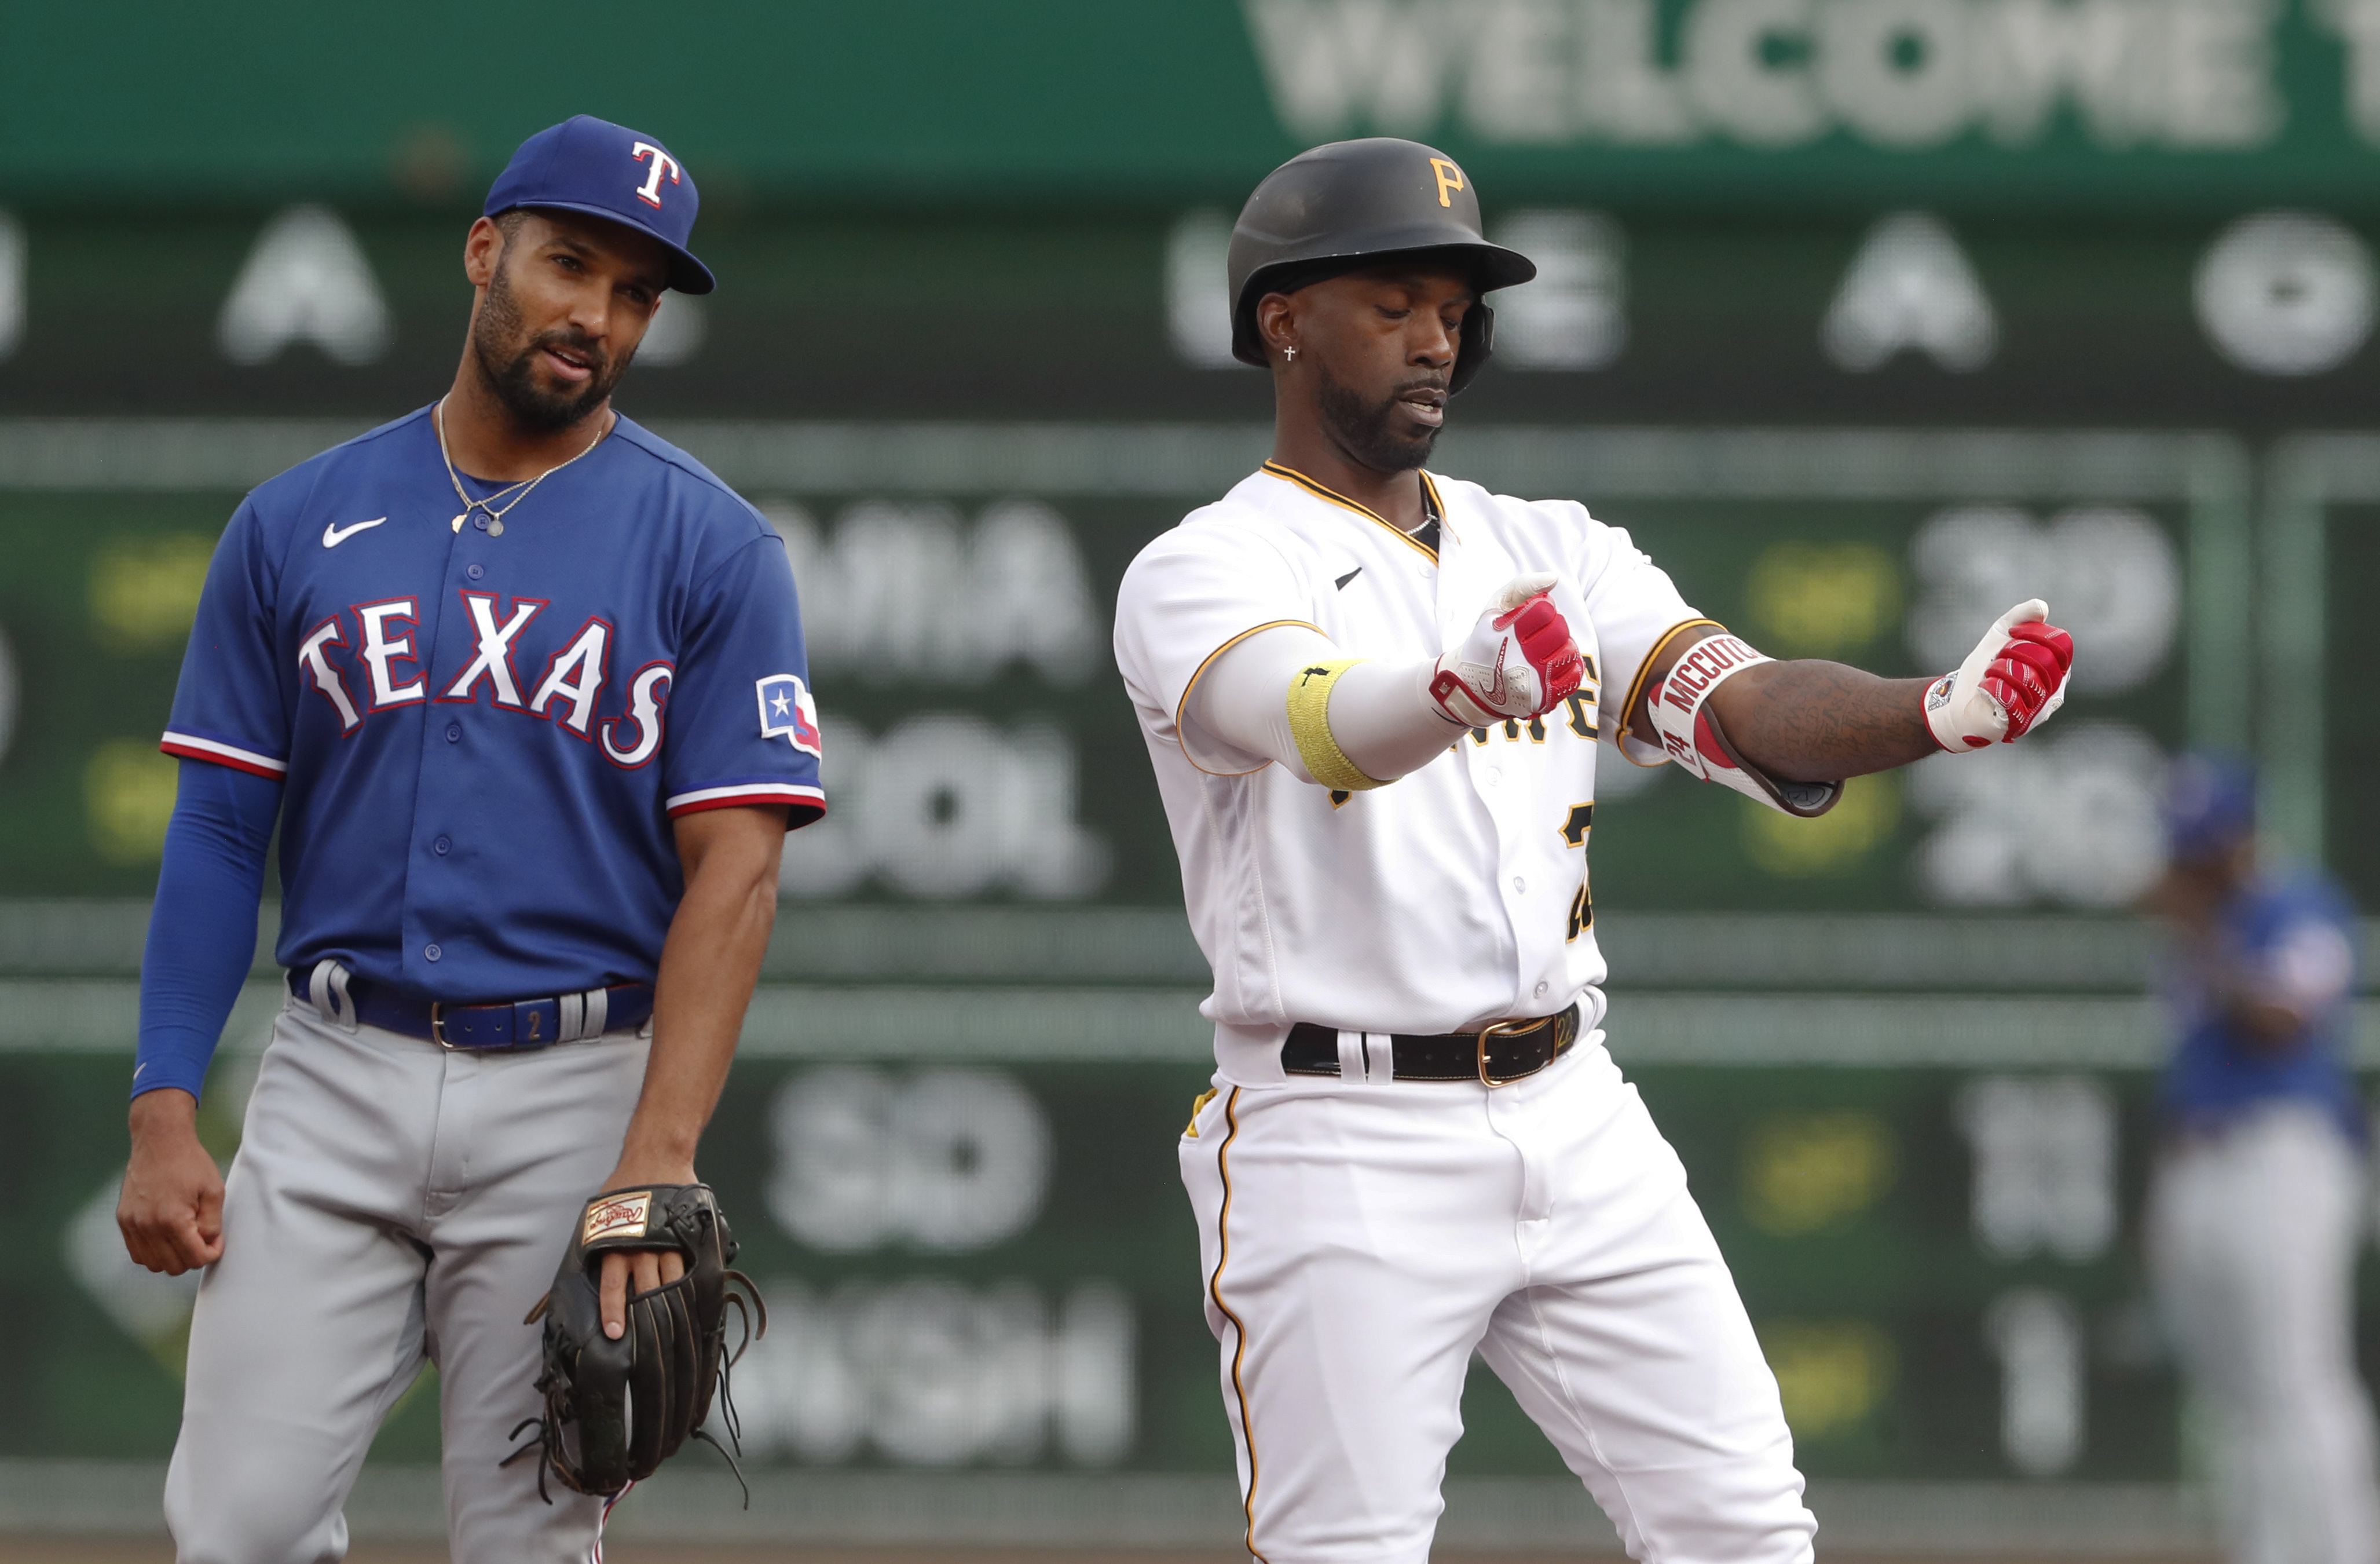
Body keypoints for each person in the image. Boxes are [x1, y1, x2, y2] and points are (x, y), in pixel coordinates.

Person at [1112, 137, 2077, 1564]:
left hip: (1576, 1104)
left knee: (1747, 1532)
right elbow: (1308, 719)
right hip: (1339, 1128)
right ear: (1281, 317)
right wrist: (1453, 689)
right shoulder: (1207, 564)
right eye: (1393, 300)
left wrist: (1932, 712)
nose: (1436, 337)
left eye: (1454, 307)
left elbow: (1747, 707)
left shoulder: (1549, 545)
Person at [112, 115, 823, 1564]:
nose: (597, 316)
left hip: (575, 1091)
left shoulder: (714, 549)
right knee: (232, 1525)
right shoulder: (295, 522)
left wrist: (658, 1159)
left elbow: (738, 873)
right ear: (484, 249)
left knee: (525, 1542)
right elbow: (221, 823)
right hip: (332, 1073)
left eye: (634, 294)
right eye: (571, 264)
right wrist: (164, 1103)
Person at [2144, 754, 2379, 1564]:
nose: (2188, 862)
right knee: (2231, 1393)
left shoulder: (2297, 904)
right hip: (2198, 1163)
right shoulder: (2201, 922)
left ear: (2240, 838)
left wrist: (2203, 937)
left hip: (2283, 1157)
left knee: (2298, 1380)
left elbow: (2281, 1020)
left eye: (2201, 845)